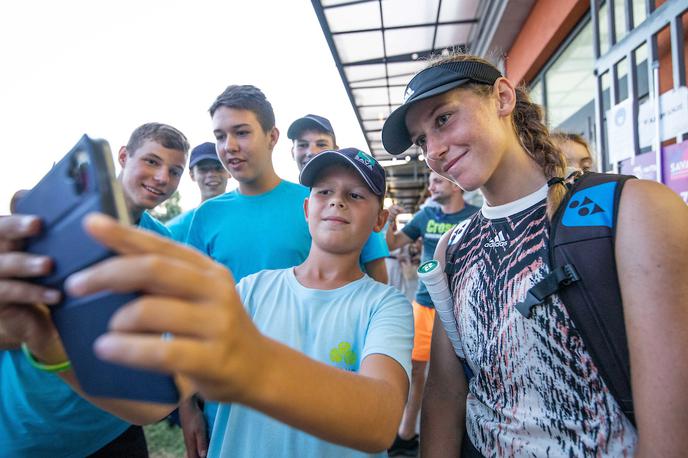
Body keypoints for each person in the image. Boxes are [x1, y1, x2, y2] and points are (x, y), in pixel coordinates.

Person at [0, 147, 413, 458]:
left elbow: (380, 422)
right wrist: (47, 341)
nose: (337, 201)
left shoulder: (385, 305)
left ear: (380, 221)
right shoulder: (249, 291)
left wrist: (248, 362)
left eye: (357, 195)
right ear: (306, 209)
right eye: (324, 191)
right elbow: (148, 405)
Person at [380, 53, 688, 457]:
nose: (434, 149)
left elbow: (672, 430)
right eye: (421, 140)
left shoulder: (632, 208)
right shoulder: (452, 247)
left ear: (503, 98)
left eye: (443, 119)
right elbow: (444, 395)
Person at [0, 122, 189, 457]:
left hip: (114, 427)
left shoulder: (163, 244)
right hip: (30, 430)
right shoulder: (44, 224)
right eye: (151, 161)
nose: (162, 178)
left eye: (174, 171)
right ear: (122, 156)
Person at [384, 171, 478, 456]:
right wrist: (388, 219)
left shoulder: (477, 215)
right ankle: (406, 432)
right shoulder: (426, 217)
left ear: (454, 182)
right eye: (429, 182)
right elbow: (392, 244)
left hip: (465, 304)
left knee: (468, 375)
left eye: (436, 181)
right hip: (425, 304)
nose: (430, 187)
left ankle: (467, 437)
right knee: (414, 370)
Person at [288, 114, 390, 283]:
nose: (310, 152)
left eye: (321, 144)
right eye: (302, 144)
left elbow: (378, 272)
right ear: (307, 208)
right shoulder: (257, 286)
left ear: (336, 149)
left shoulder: (359, 213)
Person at [167, 142, 230, 241]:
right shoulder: (176, 229)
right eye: (203, 170)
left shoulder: (246, 218)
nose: (211, 174)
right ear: (192, 175)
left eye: (218, 168)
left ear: (229, 171)